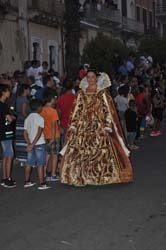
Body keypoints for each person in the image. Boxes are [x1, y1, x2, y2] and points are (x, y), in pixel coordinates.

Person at [60, 69, 133, 187]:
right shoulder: (81, 93)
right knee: (80, 151)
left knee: (102, 151)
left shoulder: (102, 93)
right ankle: (82, 175)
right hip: (83, 126)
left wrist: (108, 125)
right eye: (88, 77)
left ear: (97, 78)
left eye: (92, 77)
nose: (90, 79)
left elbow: (108, 110)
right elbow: (76, 110)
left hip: (99, 125)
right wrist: (73, 124)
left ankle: (101, 175)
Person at [24, 99, 50, 190]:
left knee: (29, 163)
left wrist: (29, 144)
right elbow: (39, 132)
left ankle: (27, 181)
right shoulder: (40, 118)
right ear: (39, 108)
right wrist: (33, 143)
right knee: (40, 164)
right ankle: (42, 183)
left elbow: (25, 132)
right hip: (39, 143)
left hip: (31, 143)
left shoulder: (27, 118)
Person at [40, 94, 60, 181]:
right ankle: (53, 174)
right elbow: (53, 125)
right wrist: (52, 137)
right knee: (55, 155)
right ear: (51, 99)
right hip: (54, 135)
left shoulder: (41, 110)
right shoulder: (53, 111)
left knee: (47, 155)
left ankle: (44, 174)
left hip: (44, 134)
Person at [0, 84, 16, 188]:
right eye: (8, 91)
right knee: (9, 155)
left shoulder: (3, 104)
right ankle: (7, 179)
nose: (9, 93)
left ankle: (5, 177)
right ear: (4, 92)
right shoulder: (3, 105)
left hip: (3, 132)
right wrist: (12, 117)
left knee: (6, 155)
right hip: (5, 132)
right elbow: (9, 119)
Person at [56, 80, 76, 148]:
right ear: (72, 87)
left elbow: (58, 114)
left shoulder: (60, 99)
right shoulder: (76, 98)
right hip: (74, 124)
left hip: (64, 125)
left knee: (64, 147)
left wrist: (59, 126)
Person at [15, 84, 30, 164]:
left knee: (20, 141)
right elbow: (23, 112)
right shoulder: (24, 99)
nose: (29, 91)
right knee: (25, 140)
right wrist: (30, 119)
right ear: (25, 90)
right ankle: (24, 159)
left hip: (19, 121)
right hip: (24, 121)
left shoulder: (18, 98)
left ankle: (20, 158)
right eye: (28, 89)